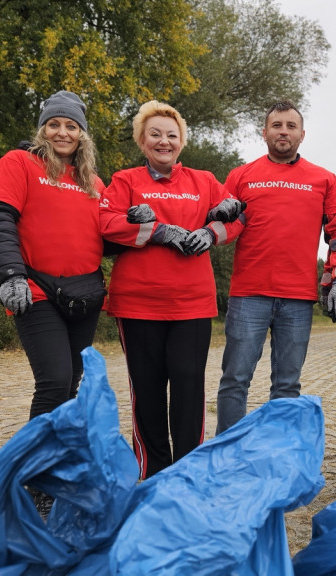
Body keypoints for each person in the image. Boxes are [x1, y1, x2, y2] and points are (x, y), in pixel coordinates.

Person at [100, 100, 244, 480]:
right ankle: (151, 474)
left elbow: (237, 219)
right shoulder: (125, 181)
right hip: (137, 305)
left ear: (181, 142)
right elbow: (105, 222)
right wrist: (156, 231)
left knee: (188, 390)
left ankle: (188, 473)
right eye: (155, 134)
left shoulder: (205, 181)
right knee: (146, 394)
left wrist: (209, 233)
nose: (164, 141)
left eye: (171, 135)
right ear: (142, 141)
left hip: (192, 305)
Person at [214, 100, 336, 434]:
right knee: (235, 380)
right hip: (248, 294)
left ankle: (278, 457)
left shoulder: (324, 179)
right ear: (264, 132)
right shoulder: (240, 175)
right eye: (277, 125)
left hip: (297, 299)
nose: (283, 132)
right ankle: (226, 457)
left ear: (302, 135)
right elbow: (222, 225)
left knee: (287, 385)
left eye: (291, 126)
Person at [0, 90, 105, 421]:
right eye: (54, 124)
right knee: (54, 381)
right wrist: (10, 274)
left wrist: (141, 221)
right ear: (42, 129)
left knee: (70, 386)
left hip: (84, 295)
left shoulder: (93, 182)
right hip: (36, 290)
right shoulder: (19, 163)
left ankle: (58, 462)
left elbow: (110, 236)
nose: (62, 132)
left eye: (71, 126)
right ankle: (31, 467)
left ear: (82, 134)